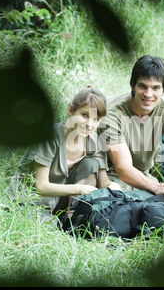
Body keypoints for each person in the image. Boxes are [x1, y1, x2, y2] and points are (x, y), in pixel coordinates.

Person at [99, 55, 164, 203]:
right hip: (110, 177)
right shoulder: (112, 112)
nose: (148, 94)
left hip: (144, 176)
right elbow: (122, 167)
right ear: (133, 86)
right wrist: (156, 187)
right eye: (143, 86)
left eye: (155, 88)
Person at [7, 86, 121, 221]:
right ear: (71, 111)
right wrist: (77, 189)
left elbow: (103, 181)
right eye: (84, 115)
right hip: (31, 200)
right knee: (51, 228)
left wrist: (112, 187)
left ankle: (72, 218)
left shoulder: (94, 140)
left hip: (60, 201)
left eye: (95, 119)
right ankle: (58, 221)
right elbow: (41, 186)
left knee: (91, 163)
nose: (89, 124)